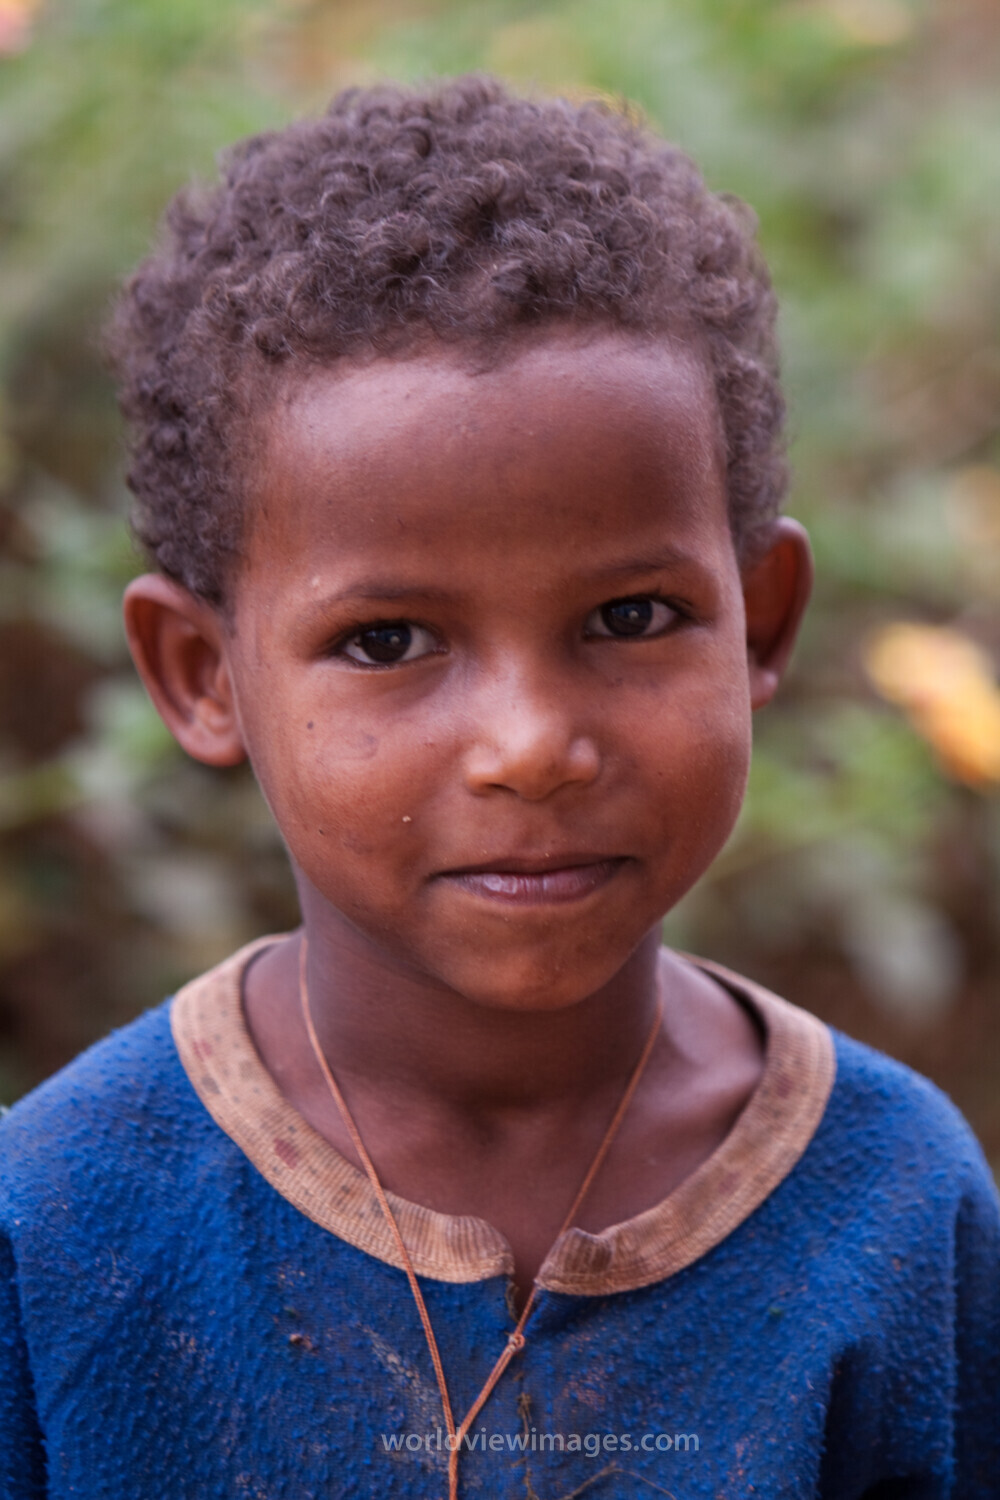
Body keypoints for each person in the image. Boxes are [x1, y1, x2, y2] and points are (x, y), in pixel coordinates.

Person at [0, 76, 996, 1500]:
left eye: (632, 617)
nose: (532, 745)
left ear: (763, 619)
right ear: (202, 675)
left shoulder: (892, 1208)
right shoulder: (62, 1227)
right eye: (388, 642)